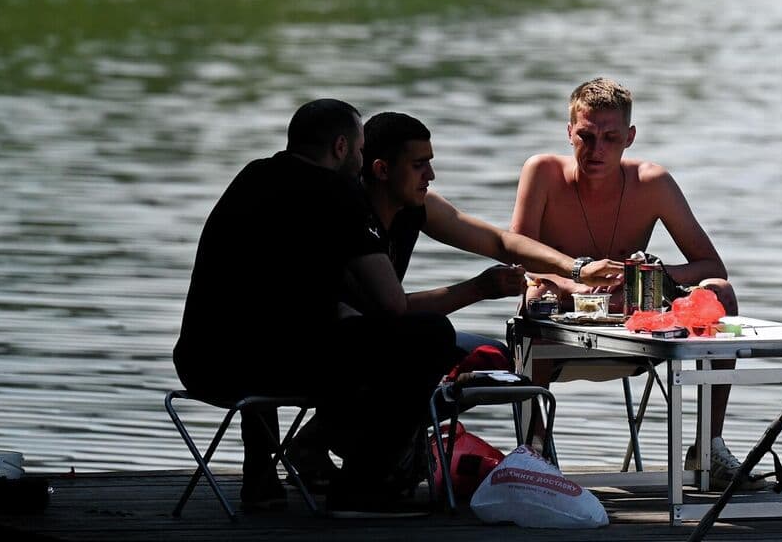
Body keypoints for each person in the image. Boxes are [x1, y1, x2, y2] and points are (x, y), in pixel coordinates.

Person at [173, 100, 617, 517]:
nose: (432, 175)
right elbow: (390, 307)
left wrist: (576, 269)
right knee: (432, 339)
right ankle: (362, 485)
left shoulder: (255, 177)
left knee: (271, 325)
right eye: (419, 164)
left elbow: (496, 241)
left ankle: (267, 478)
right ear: (344, 149)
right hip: (275, 365)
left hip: (202, 363)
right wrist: (480, 288)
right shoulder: (338, 196)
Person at [509, 77, 758, 490]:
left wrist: (648, 276)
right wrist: (572, 283)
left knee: (720, 291)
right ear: (569, 131)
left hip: (632, 325)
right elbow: (519, 256)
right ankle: (535, 448)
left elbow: (711, 263)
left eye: (610, 137)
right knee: (537, 292)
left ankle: (708, 446)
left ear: (630, 137)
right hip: (558, 319)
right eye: (586, 136)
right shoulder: (542, 172)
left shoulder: (652, 181)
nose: (596, 150)